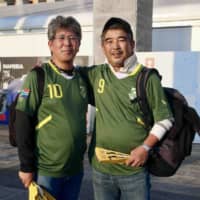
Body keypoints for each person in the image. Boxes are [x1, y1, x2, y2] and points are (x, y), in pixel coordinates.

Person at [81, 17, 174, 200]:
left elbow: (165, 118)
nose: (115, 46)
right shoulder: (96, 74)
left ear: (132, 43)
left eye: (121, 40)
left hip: (134, 171)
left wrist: (145, 148)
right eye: (109, 41)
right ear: (103, 47)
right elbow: (66, 74)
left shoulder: (147, 77)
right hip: (101, 170)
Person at [15, 16, 89, 200]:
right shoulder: (39, 76)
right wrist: (26, 166)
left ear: (79, 44)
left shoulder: (82, 78)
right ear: (50, 44)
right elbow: (22, 122)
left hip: (75, 170)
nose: (67, 44)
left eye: (72, 38)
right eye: (61, 38)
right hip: (45, 171)